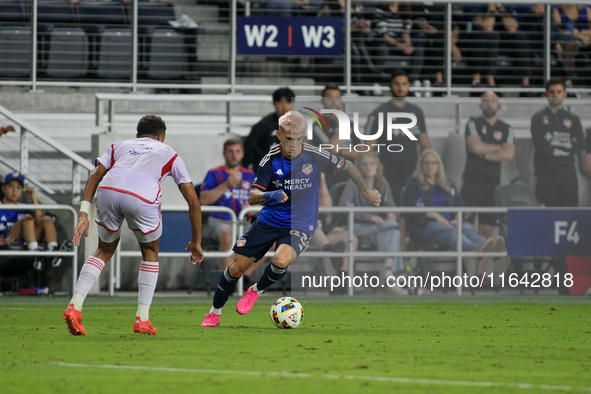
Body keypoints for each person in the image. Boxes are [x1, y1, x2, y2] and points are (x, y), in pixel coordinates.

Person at [200, 110, 381, 327]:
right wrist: (270, 195)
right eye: (288, 139)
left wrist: (366, 191)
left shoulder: (316, 155)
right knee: (236, 269)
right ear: (278, 135)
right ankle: (214, 312)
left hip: (301, 223)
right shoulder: (270, 160)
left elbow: (349, 166)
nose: (294, 144)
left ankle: (255, 291)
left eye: (299, 139)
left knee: (280, 260)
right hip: (269, 220)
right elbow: (252, 196)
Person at [63, 115, 204, 336]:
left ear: (137, 135)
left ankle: (75, 306)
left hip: (108, 191)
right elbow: (194, 201)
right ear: (161, 137)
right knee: (149, 250)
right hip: (141, 197)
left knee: (104, 249)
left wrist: (84, 212)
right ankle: (142, 319)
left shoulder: (118, 146)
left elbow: (95, 175)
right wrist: (196, 242)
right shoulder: (169, 152)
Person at [402, 149, 504, 279]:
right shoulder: (414, 183)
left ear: (439, 165)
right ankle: (474, 248)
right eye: (426, 163)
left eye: (433, 163)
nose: (430, 166)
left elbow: (460, 205)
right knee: (451, 231)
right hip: (425, 224)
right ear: (421, 165)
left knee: (466, 227)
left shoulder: (448, 184)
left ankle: (488, 246)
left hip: (450, 221)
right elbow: (411, 205)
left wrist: (458, 217)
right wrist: (433, 214)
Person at [338, 153, 406, 288]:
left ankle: (390, 274)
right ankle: (399, 279)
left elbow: (393, 206)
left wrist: (391, 213)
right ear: (359, 168)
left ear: (377, 167)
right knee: (392, 231)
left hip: (379, 227)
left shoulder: (382, 183)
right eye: (364, 164)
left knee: (391, 227)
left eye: (371, 163)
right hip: (357, 227)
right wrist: (369, 217)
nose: (368, 167)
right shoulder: (353, 183)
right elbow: (344, 207)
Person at [365, 69, 431, 205]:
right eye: (396, 84)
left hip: (413, 170)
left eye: (404, 84)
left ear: (409, 86)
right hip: (389, 170)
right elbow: (368, 148)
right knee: (394, 208)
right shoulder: (379, 112)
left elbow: (425, 145)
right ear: (390, 85)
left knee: (414, 208)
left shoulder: (416, 111)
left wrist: (426, 166)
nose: (400, 88)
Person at [461, 91, 515, 240]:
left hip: (492, 185)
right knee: (466, 229)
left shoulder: (506, 128)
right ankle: (466, 264)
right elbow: (475, 148)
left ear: (498, 105)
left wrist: (485, 154)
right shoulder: (473, 123)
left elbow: (509, 154)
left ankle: (479, 264)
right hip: (471, 183)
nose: (489, 104)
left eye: (492, 101)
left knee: (487, 232)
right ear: (480, 104)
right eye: (485, 101)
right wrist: (499, 146)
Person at [199, 138, 256, 270]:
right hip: (218, 221)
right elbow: (203, 200)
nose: (234, 155)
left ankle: (245, 276)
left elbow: (261, 202)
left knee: (274, 239)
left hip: (243, 222)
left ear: (242, 154)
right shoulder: (214, 173)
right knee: (227, 234)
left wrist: (251, 208)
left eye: (237, 151)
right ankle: (229, 283)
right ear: (224, 154)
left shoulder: (250, 175)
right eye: (230, 152)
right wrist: (226, 184)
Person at [530, 77, 584, 207]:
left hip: (568, 174)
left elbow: (580, 144)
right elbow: (542, 147)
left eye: (559, 92)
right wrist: (568, 144)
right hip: (546, 174)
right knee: (545, 216)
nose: (555, 95)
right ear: (546, 94)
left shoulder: (573, 119)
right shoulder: (537, 118)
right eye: (551, 92)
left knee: (570, 214)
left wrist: (554, 144)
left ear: (565, 94)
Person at [307, 84, 361, 190]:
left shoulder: (351, 123)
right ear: (322, 100)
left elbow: (360, 152)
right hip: (328, 177)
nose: (333, 101)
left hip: (349, 176)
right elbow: (333, 149)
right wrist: (339, 126)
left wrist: (341, 152)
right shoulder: (317, 125)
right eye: (329, 98)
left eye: (337, 97)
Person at [0, 172, 59, 255]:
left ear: (22, 191)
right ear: (3, 188)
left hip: (27, 240)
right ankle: (35, 252)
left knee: (46, 219)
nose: (14, 190)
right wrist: (4, 240)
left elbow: (39, 218)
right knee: (27, 218)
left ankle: (54, 251)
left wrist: (33, 199)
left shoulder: (23, 207)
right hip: (9, 239)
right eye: (11, 186)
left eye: (18, 187)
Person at [242, 87, 295, 172]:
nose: (285, 107)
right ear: (274, 104)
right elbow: (249, 147)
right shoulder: (264, 125)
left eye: (288, 102)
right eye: (280, 102)